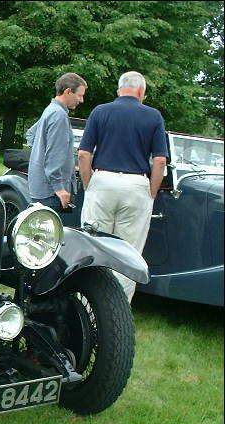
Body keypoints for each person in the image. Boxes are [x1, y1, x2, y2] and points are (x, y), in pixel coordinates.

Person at [78, 71, 168, 303]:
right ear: (141, 91)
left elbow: (84, 154)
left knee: (93, 246)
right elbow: (160, 161)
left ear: (119, 89)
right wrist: (151, 192)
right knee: (129, 253)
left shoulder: (100, 111)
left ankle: (87, 307)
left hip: (102, 180)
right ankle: (119, 309)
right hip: (136, 184)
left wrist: (89, 185)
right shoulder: (153, 116)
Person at [27, 73, 87, 212]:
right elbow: (54, 154)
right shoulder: (59, 115)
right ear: (68, 91)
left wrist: (39, 158)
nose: (81, 100)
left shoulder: (50, 110)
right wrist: (59, 188)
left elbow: (31, 135)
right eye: (80, 95)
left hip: (40, 187)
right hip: (52, 192)